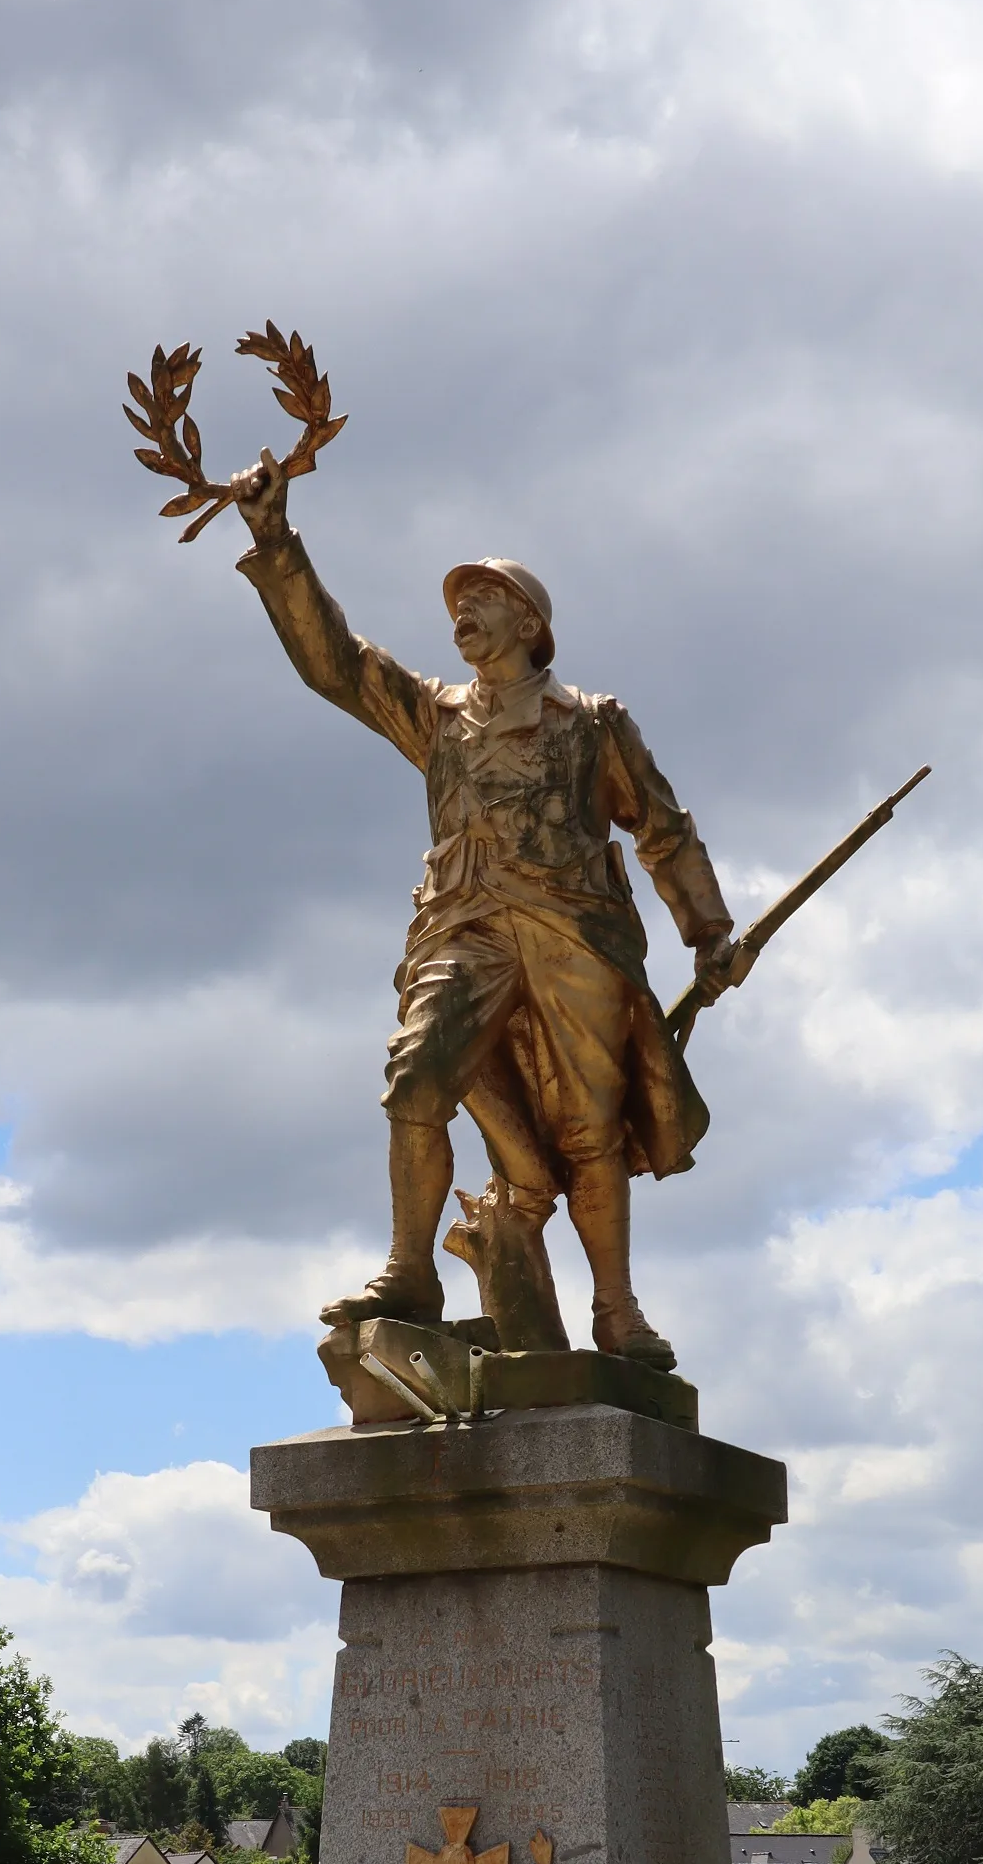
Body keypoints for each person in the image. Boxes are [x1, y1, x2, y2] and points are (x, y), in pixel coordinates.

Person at [230, 449, 737, 1370]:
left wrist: (709, 930)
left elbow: (662, 829)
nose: (460, 612)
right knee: (417, 1077)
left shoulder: (591, 722)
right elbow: (335, 665)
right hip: (464, 928)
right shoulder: (436, 714)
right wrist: (275, 540)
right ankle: (410, 1270)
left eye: (481, 598)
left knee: (591, 1127)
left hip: (577, 933)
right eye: (455, 602)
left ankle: (616, 1310)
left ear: (529, 620)